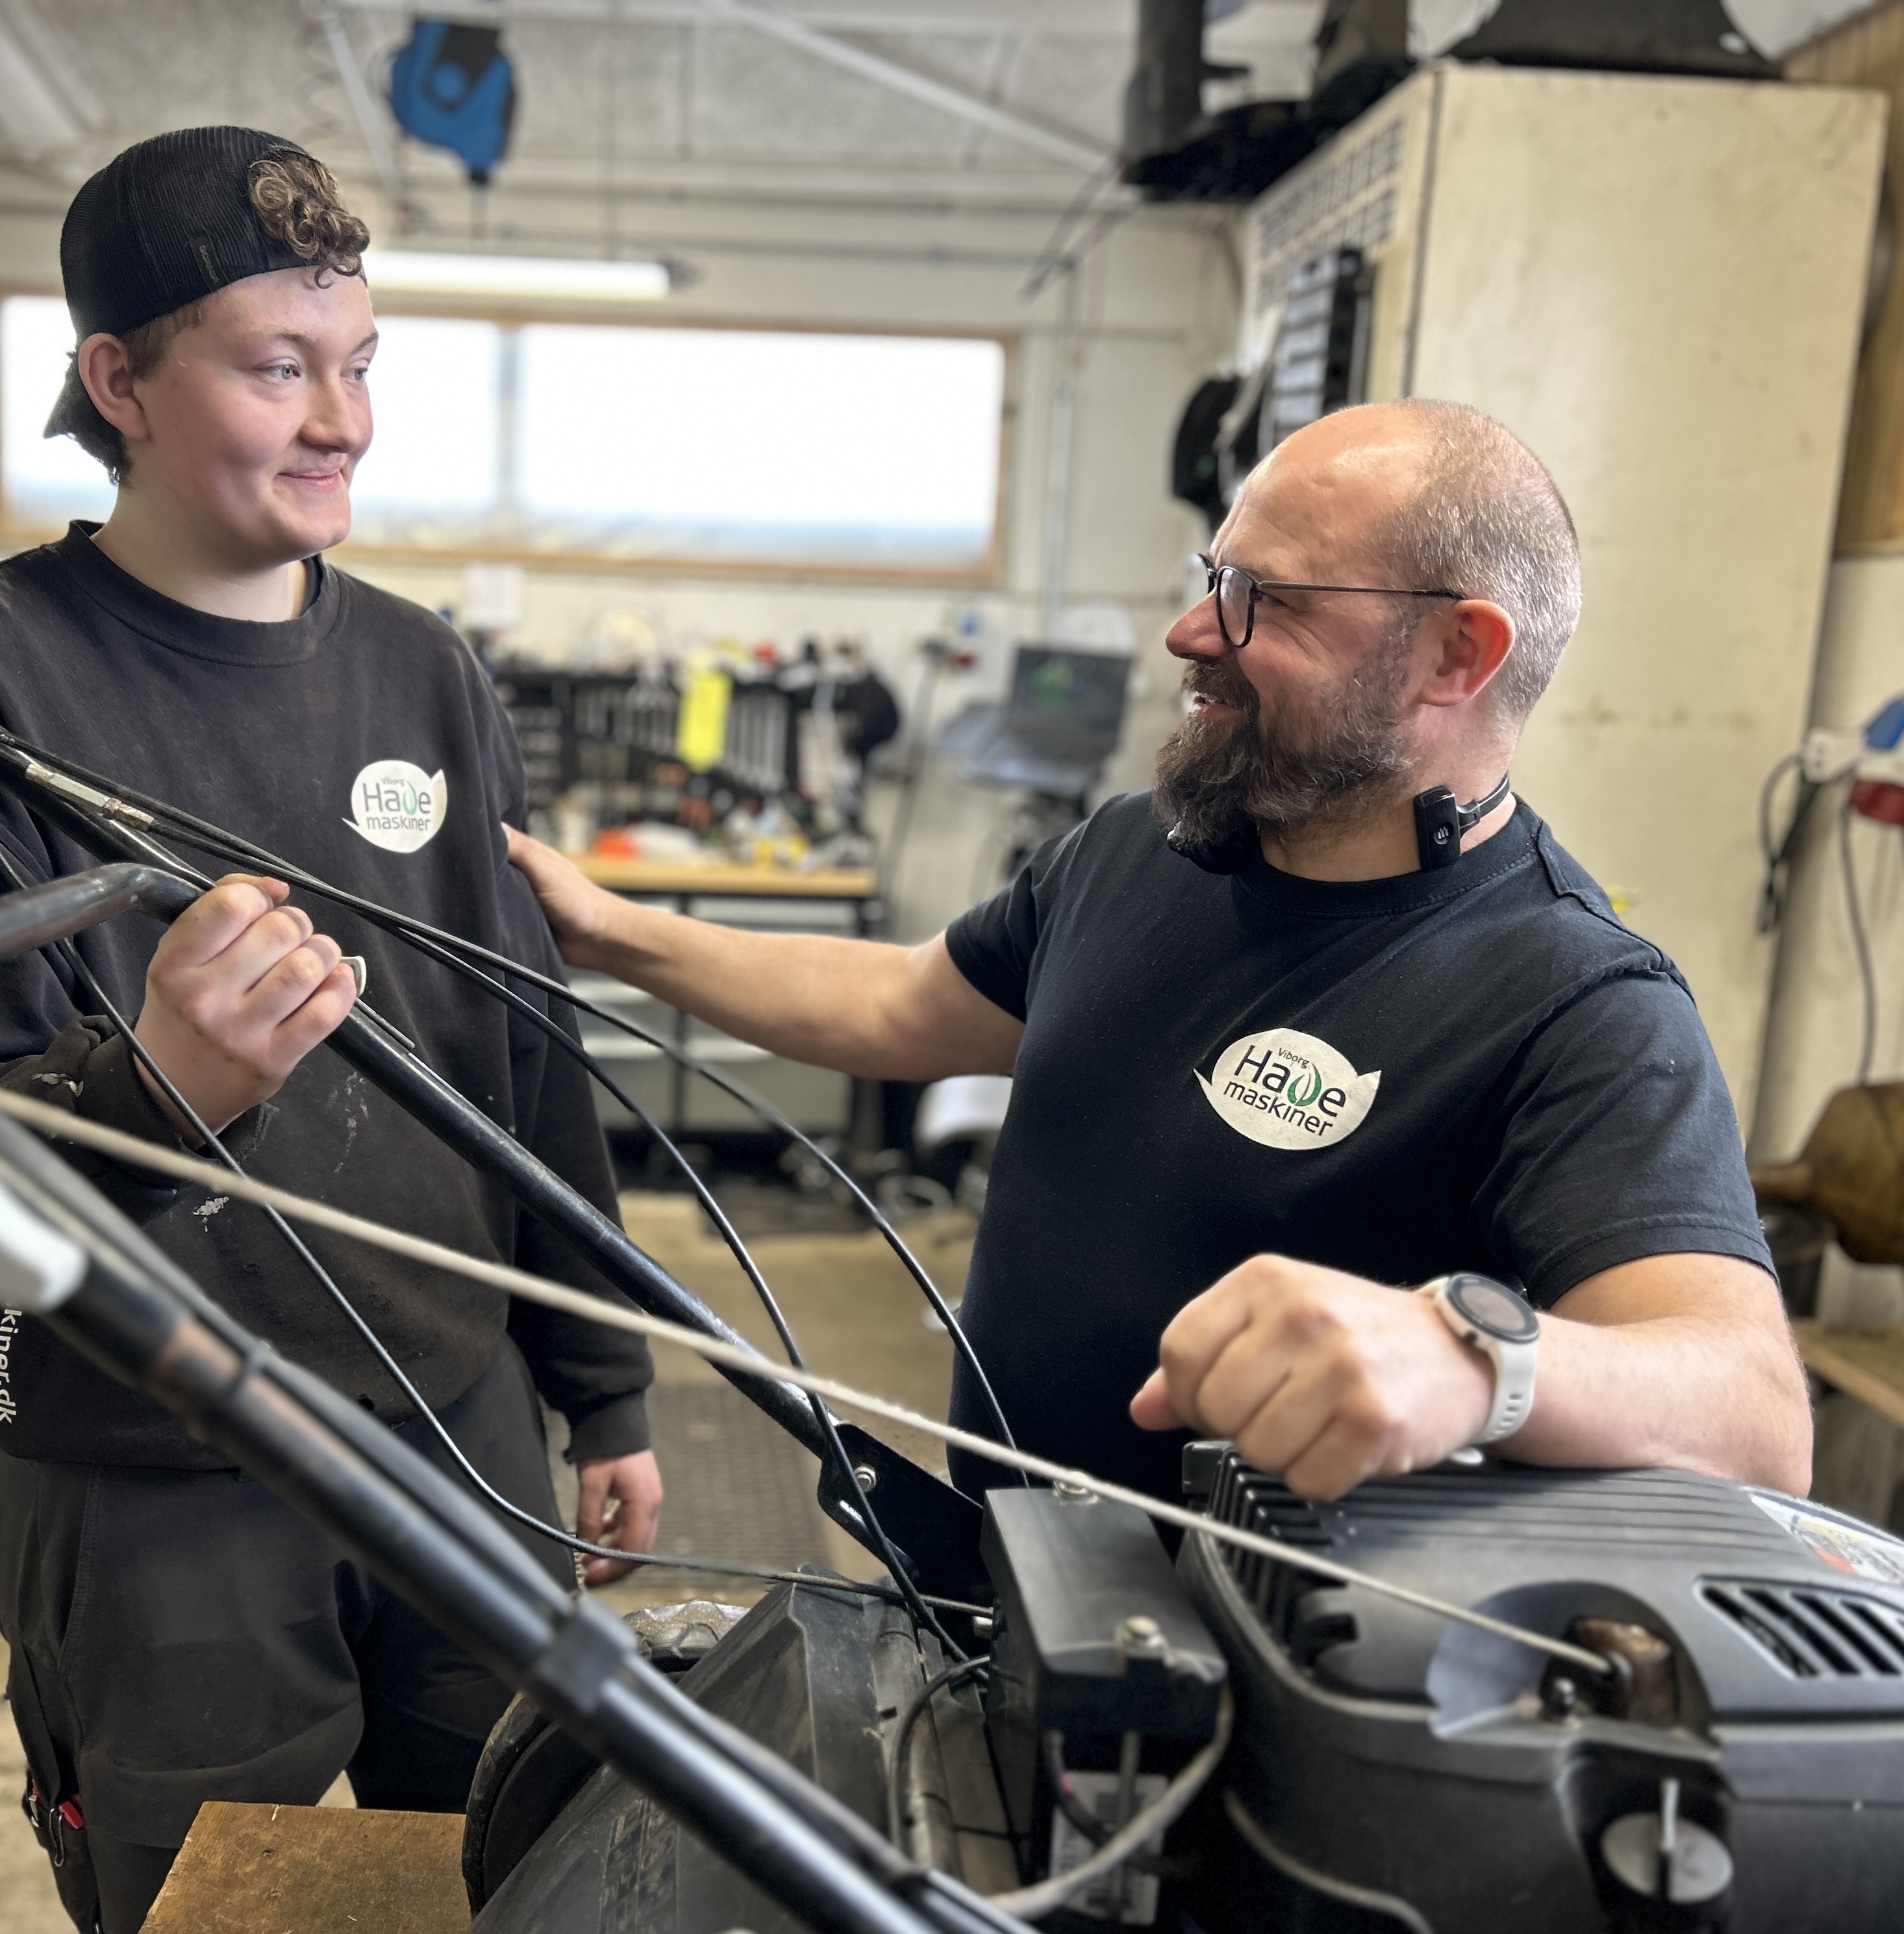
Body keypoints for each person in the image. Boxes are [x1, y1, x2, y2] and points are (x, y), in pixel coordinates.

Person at [0, 128, 660, 1934]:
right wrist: (162, 1091)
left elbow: (520, 1055)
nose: (342, 422)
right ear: (118, 380)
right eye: (278, 368)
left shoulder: (426, 670)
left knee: (516, 1890)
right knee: (222, 1930)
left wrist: (600, 1387)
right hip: (156, 1481)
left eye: (357, 367)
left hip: (460, 1437)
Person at [508, 399, 1810, 1510]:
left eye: (1265, 602)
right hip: (1002, 1597)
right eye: (1212, 578)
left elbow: (1755, 1416)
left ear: (1456, 653)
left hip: (1266, 1707)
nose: (1195, 633)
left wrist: (1478, 1361)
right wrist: (608, 929)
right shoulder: (1140, 850)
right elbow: (905, 1004)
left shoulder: (1575, 1003)